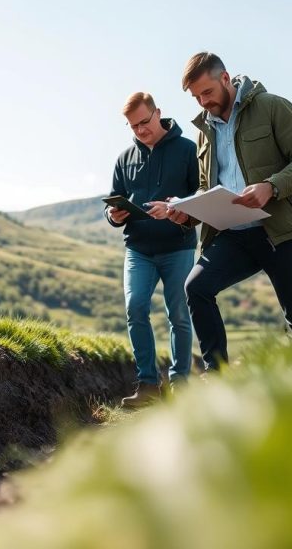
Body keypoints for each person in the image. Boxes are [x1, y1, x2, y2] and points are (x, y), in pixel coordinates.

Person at [155, 52, 292, 372]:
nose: (202, 101)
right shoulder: (204, 130)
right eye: (196, 96)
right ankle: (216, 378)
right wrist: (185, 211)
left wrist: (271, 187)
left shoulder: (273, 107)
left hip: (280, 230)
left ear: (225, 78)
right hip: (233, 234)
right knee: (196, 288)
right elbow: (208, 188)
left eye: (207, 92)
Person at [105, 92, 199, 407]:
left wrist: (176, 208)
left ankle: (180, 387)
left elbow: (201, 196)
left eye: (144, 122)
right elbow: (115, 198)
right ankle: (147, 385)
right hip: (138, 250)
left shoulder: (188, 150)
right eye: (133, 126)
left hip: (178, 248)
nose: (141, 130)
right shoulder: (123, 158)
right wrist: (113, 215)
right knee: (135, 308)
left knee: (179, 316)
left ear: (158, 113)